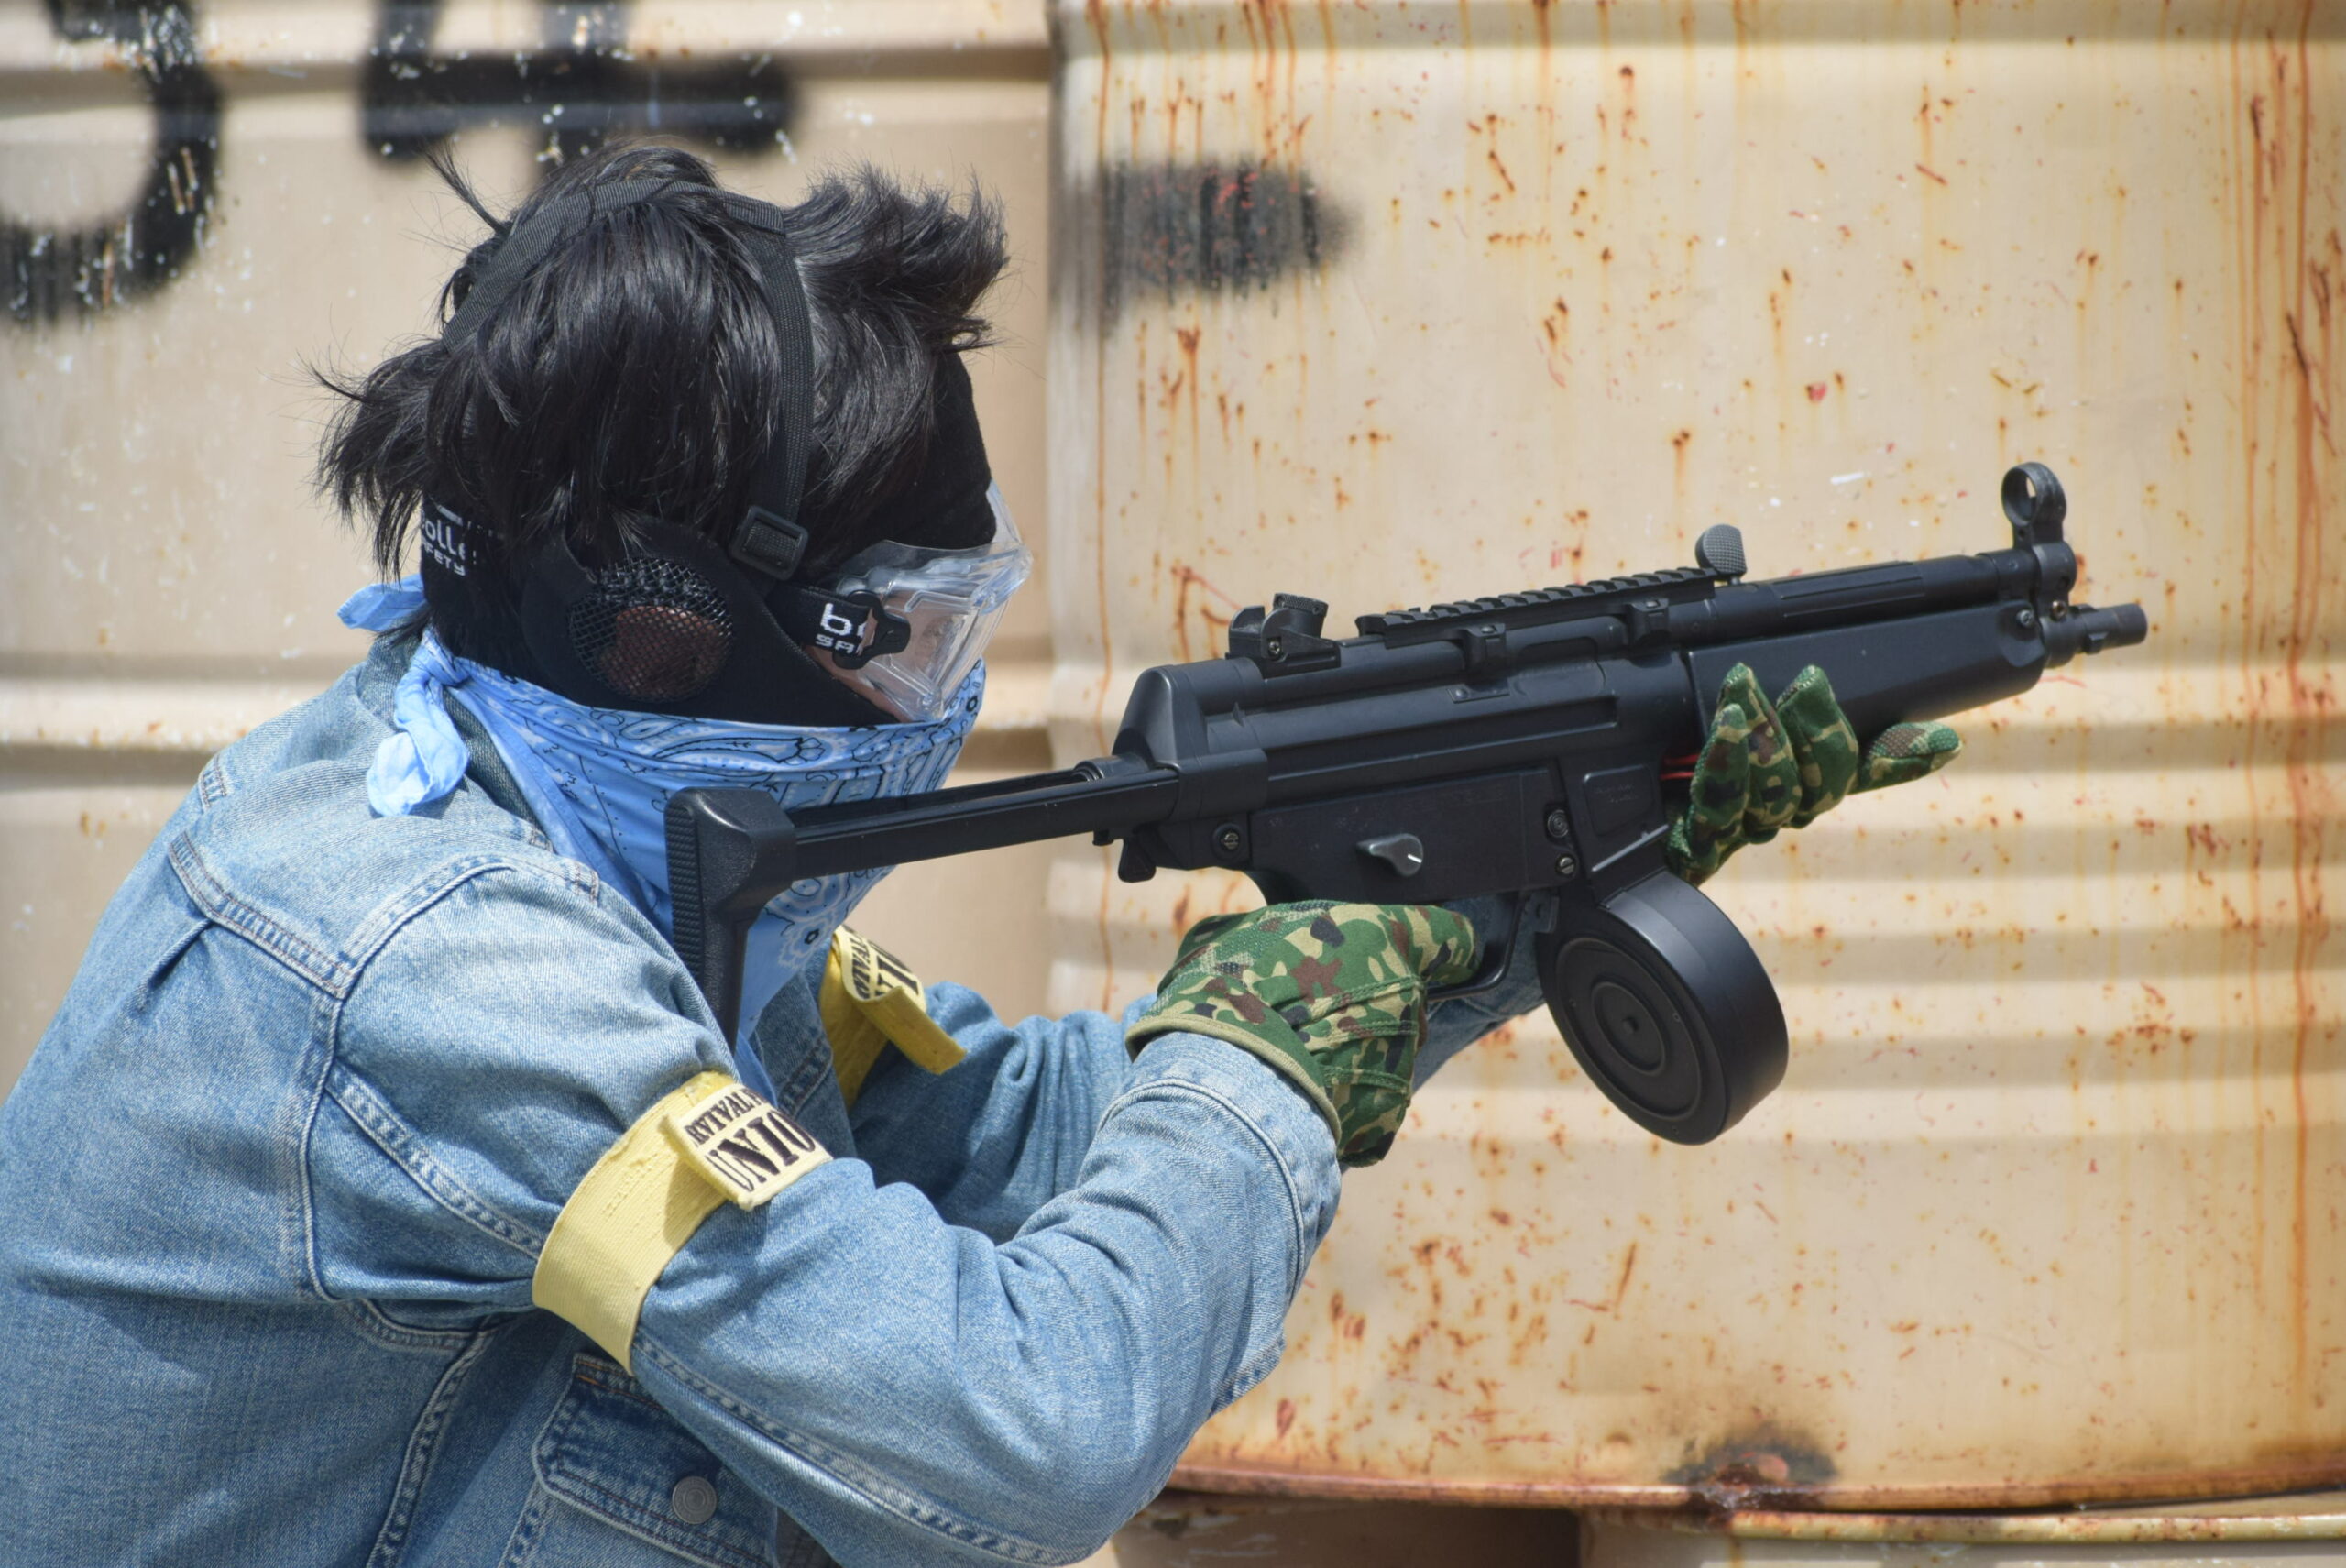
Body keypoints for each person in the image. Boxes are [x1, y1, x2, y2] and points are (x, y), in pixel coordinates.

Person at [0, 145, 1956, 1567]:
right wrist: (1265, 1061)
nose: (950, 700)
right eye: (914, 636)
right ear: (677, 632)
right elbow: (1012, 1437)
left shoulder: (558, 822)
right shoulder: (453, 975)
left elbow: (1001, 1132)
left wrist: (1477, 900)